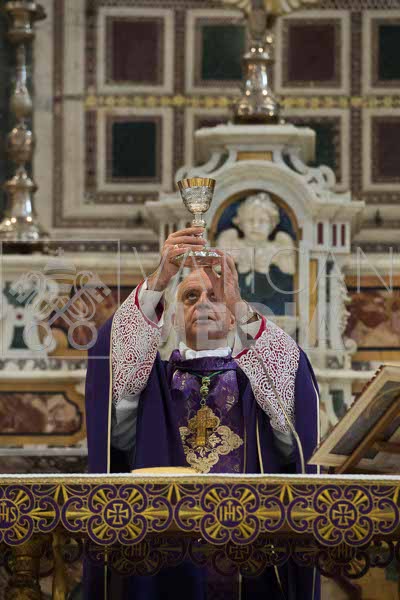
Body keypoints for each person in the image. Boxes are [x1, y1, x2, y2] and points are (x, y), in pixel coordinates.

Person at [85, 226, 320, 599]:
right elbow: (114, 411)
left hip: (248, 554)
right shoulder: (153, 385)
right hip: (164, 558)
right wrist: (159, 280)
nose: (204, 304)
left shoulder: (256, 383)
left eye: (216, 296)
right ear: (173, 318)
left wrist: (240, 305)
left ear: (233, 318)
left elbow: (293, 435)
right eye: (190, 296)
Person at [217, 192, 296, 315]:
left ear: (272, 224)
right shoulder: (231, 245)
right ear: (240, 223)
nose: (255, 225)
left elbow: (286, 281)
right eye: (250, 220)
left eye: (262, 221)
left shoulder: (278, 249)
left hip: (274, 313)